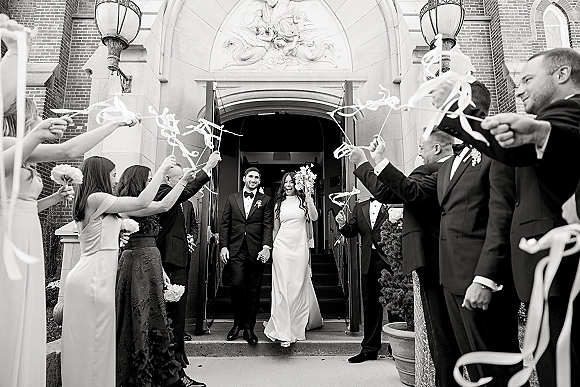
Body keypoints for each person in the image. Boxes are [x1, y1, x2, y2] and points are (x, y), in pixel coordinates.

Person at [434, 48, 580, 387]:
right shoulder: (547, 123)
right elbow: (514, 148)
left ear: (561, 75)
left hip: (561, 271)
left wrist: (456, 111)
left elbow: (555, 139)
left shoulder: (568, 112)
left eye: (527, 79)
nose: (517, 89)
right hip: (543, 274)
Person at [344, 130, 462, 386]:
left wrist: (371, 161)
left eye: (422, 147)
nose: (419, 153)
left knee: (443, 337)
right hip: (448, 258)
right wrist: (368, 162)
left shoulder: (435, 171)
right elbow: (392, 193)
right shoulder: (451, 169)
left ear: (438, 149)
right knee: (446, 337)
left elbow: (399, 192)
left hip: (436, 259)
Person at [61, 154, 175, 387]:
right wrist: (162, 170)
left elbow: (158, 206)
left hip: (97, 276)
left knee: (99, 344)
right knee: (94, 343)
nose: (115, 180)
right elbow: (143, 202)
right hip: (92, 279)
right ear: (101, 175)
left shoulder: (97, 202)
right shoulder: (96, 198)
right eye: (113, 174)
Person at [115, 164, 204, 387]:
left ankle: (165, 375)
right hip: (138, 269)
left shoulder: (146, 203)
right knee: (142, 321)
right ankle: (149, 375)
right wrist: (178, 175)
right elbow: (165, 205)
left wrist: (162, 271)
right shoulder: (129, 205)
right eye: (147, 181)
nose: (152, 184)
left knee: (156, 322)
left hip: (154, 266)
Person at [155, 153, 221, 387]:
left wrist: (186, 239)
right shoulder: (163, 192)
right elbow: (186, 191)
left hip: (177, 258)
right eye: (181, 177)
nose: (185, 179)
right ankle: (175, 375)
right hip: (171, 264)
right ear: (170, 180)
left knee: (175, 320)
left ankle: (173, 370)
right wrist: (208, 167)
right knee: (174, 320)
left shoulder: (174, 198)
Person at [264, 171, 322, 347]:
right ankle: (283, 331)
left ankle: (295, 327)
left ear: (297, 184)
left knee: (297, 287)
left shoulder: (304, 201)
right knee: (282, 287)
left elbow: (314, 217)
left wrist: (309, 195)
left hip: (299, 248)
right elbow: (275, 229)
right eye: (286, 182)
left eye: (291, 182)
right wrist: (272, 248)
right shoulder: (278, 204)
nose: (288, 185)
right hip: (281, 247)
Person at [335, 195, 393, 363]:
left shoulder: (393, 202)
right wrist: (341, 224)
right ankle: (369, 350)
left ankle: (396, 349)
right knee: (370, 306)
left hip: (389, 260)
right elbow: (351, 231)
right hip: (368, 260)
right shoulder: (360, 207)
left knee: (394, 306)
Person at [219, 167, 274, 344]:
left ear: (259, 181)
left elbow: (267, 225)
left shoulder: (266, 200)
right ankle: (237, 324)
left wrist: (266, 247)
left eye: (257, 177)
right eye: (250, 176)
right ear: (244, 178)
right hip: (235, 249)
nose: (253, 179)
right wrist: (223, 246)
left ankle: (249, 329)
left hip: (256, 250)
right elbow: (225, 224)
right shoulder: (231, 199)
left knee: (253, 289)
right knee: (236, 285)